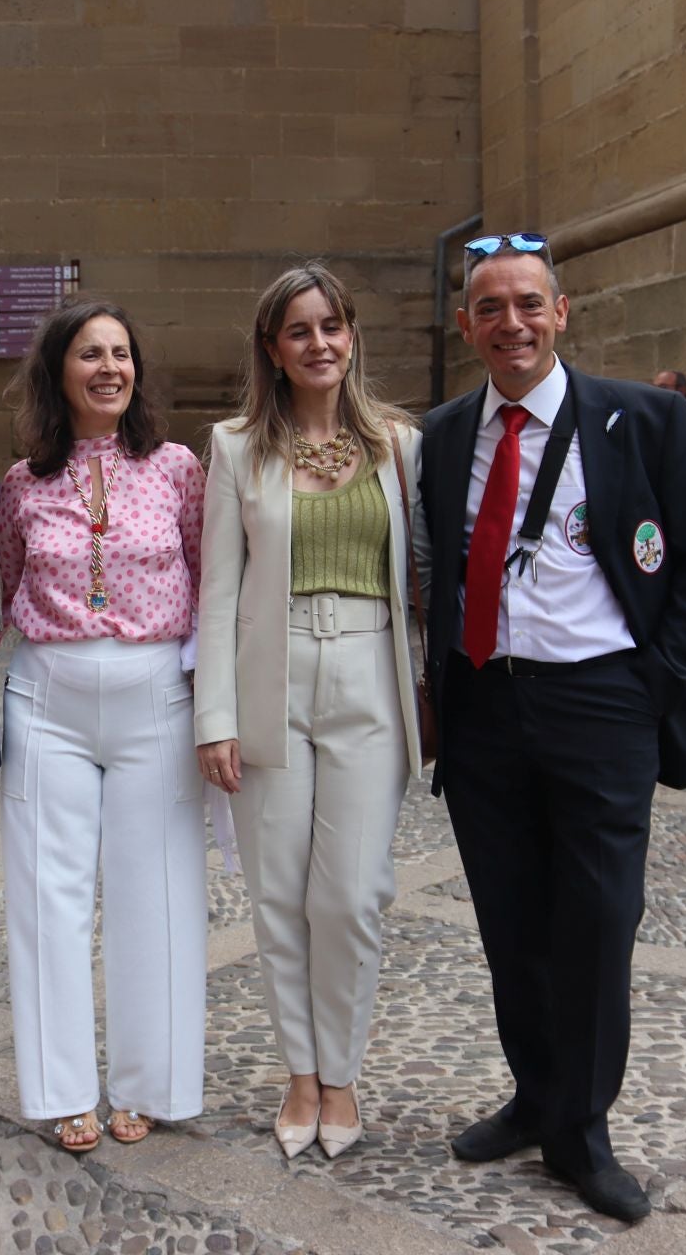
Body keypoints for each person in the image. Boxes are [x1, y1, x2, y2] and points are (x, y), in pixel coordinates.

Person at [417, 234, 686, 1221]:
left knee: (598, 920)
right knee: (511, 920)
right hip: (485, 706)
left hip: (603, 699)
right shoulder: (441, 435)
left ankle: (582, 1127)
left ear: (562, 311)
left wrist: (657, 683)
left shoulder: (647, 420)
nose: (510, 323)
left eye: (528, 303)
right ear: (465, 324)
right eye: (489, 307)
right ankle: (533, 1094)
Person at [194, 263, 423, 1160]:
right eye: (299, 330)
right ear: (273, 349)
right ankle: (302, 1073)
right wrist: (215, 716)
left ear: (352, 335)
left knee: (354, 893)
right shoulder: (234, 447)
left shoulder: (402, 445)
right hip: (269, 676)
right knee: (279, 891)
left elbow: (427, 582)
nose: (319, 343)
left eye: (332, 325)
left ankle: (344, 1070)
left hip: (371, 675)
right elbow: (218, 593)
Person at [0, 298, 206, 1153]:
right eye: (90, 354)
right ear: (59, 371)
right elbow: (5, 587)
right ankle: (61, 1087)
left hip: (155, 690)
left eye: (121, 352)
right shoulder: (21, 483)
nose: (109, 367)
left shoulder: (181, 468)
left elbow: (207, 573)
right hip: (49, 696)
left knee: (156, 890)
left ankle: (149, 1084)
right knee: (48, 896)